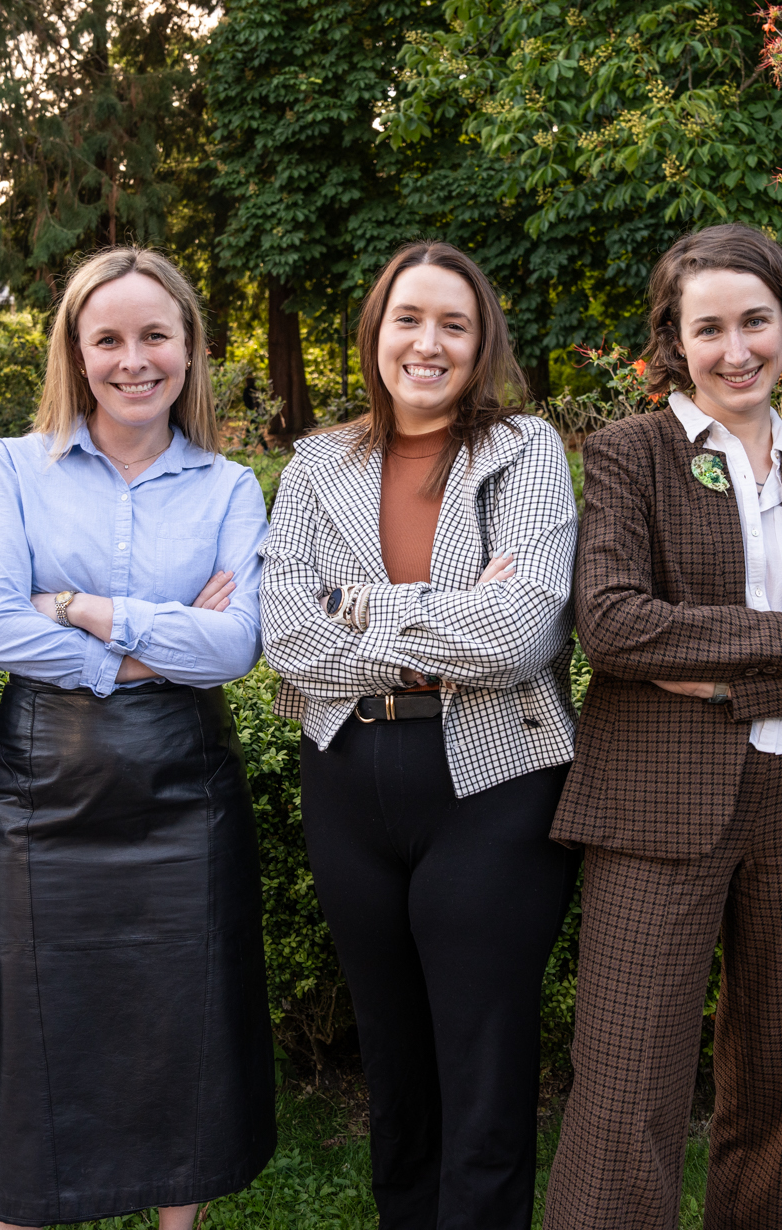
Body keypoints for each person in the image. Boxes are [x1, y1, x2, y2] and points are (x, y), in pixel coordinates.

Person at [542, 223, 782, 1230]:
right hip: (654, 802)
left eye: (755, 321)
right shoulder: (629, 453)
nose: (735, 349)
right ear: (674, 339)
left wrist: (723, 683)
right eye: (708, 328)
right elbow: (613, 624)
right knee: (626, 1081)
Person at [0, 246, 276, 1229]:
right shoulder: (12, 466)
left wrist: (87, 609)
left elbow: (232, 647)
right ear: (74, 352)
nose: (133, 360)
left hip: (187, 793)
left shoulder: (228, 486)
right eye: (108, 339)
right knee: (36, 1032)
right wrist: (144, 645)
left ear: (188, 349)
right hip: (45, 790)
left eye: (153, 336)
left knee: (182, 1025)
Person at [259, 241, 580, 1230]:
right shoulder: (316, 464)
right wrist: (437, 619)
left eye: (453, 322)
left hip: (493, 782)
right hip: (348, 778)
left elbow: (519, 629)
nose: (427, 343)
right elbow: (285, 635)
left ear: (481, 341)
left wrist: (359, 610)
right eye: (408, 319)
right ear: (375, 332)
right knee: (392, 1056)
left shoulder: (523, 449)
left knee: (482, 1061)